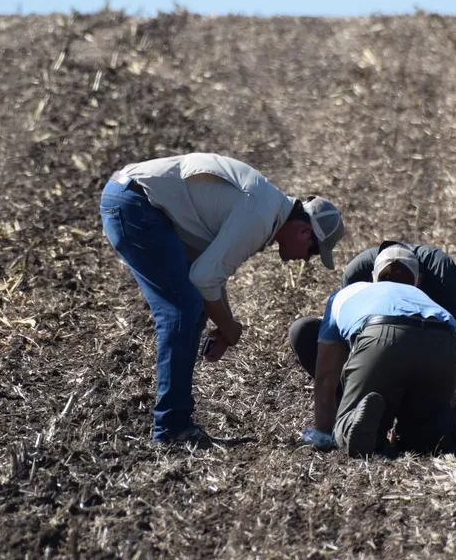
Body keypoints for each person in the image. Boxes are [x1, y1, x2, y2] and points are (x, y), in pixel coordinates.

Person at [100, 153, 344, 444]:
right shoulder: (260, 216)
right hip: (135, 204)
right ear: (304, 230)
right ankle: (171, 427)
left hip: (134, 200)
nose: (305, 260)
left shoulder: (266, 208)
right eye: (312, 252)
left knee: (192, 307)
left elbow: (208, 272)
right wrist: (229, 329)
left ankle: (175, 422)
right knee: (181, 310)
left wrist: (227, 325)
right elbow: (204, 279)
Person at [293, 241, 456, 459]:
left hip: (381, 334)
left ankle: (354, 422)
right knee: (425, 438)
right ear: (419, 280)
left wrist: (323, 434)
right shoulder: (429, 299)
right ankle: (454, 431)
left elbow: (326, 376)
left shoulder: (348, 293)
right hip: (443, 338)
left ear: (372, 276)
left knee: (349, 422)